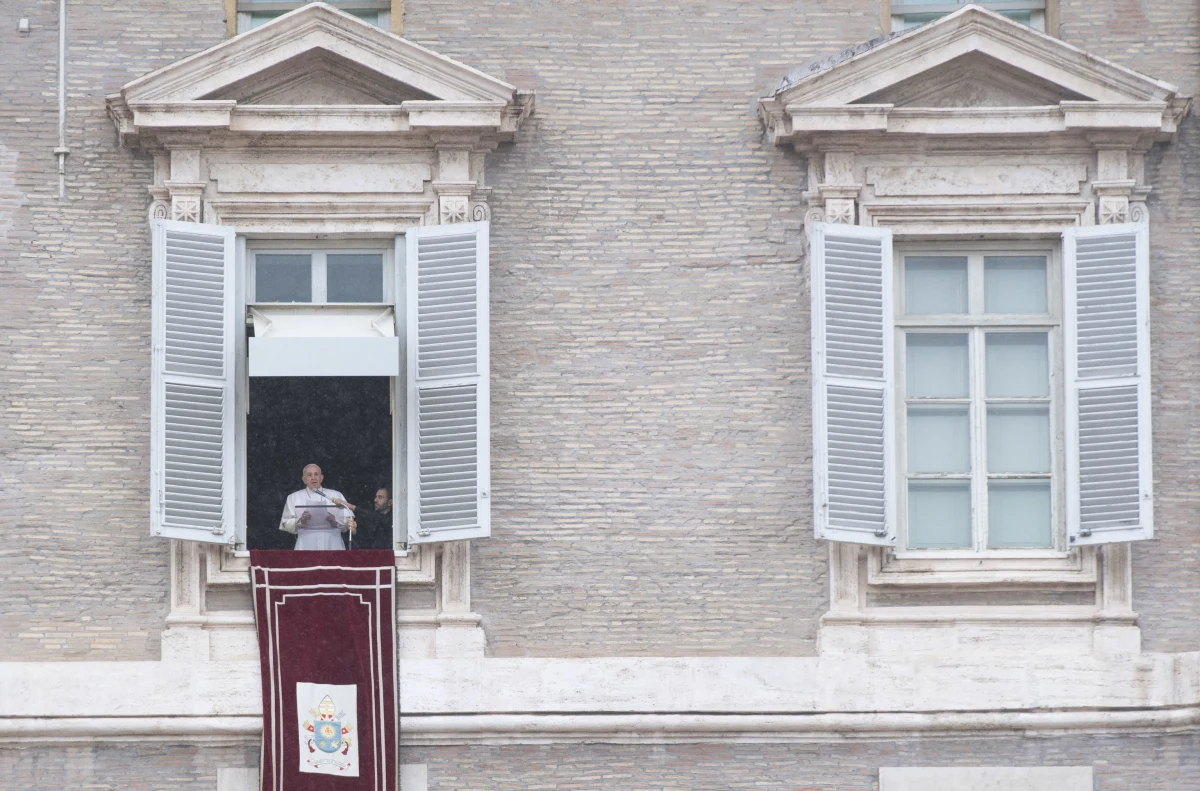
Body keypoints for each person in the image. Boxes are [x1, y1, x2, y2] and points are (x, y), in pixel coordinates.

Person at [279, 464, 357, 550]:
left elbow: (348, 523)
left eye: (316, 474)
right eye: (309, 475)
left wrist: (335, 522)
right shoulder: (293, 497)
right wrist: (301, 521)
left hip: (332, 543)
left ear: (321, 478)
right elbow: (286, 523)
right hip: (306, 544)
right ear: (304, 479)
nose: (313, 478)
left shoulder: (336, 495)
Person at [338, 486, 394, 550]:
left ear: (390, 502)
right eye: (376, 497)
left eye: (380, 497)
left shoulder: (394, 520)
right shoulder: (370, 521)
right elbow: (365, 542)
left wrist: (349, 506)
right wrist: (354, 531)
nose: (375, 500)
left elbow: (380, 519)